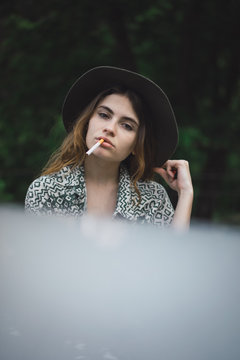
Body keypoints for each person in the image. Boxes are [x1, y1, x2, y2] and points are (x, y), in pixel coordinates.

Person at [25, 66, 193, 229]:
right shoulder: (47, 191)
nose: (110, 129)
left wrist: (185, 193)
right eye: (104, 115)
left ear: (136, 145)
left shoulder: (152, 198)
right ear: (87, 123)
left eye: (127, 125)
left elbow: (170, 254)